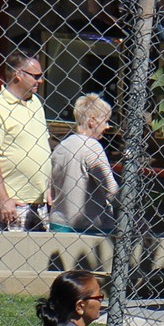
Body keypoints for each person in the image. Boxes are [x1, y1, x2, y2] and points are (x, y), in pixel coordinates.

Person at [0, 51, 52, 231]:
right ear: (18, 74)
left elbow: (43, 148)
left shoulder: (36, 103)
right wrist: (4, 199)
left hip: (40, 203)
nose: (40, 81)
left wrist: (48, 188)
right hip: (14, 205)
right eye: (36, 76)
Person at [49, 94, 119, 233]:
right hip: (88, 228)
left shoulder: (61, 146)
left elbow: (51, 190)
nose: (107, 127)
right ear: (92, 121)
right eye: (105, 121)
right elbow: (111, 190)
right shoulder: (92, 147)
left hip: (59, 224)